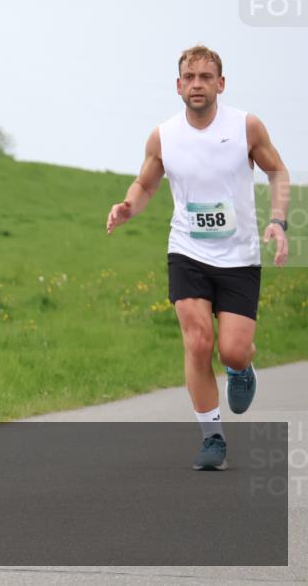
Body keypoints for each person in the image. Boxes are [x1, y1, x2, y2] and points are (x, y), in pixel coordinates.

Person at [107, 45, 289, 471]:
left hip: (239, 255)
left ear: (220, 84)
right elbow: (146, 183)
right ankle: (212, 438)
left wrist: (278, 221)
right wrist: (128, 206)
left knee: (233, 351)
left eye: (206, 77)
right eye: (189, 77)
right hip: (187, 251)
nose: (197, 84)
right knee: (197, 340)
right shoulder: (164, 136)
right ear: (178, 86)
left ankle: (242, 370)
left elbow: (277, 171)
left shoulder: (246, 127)